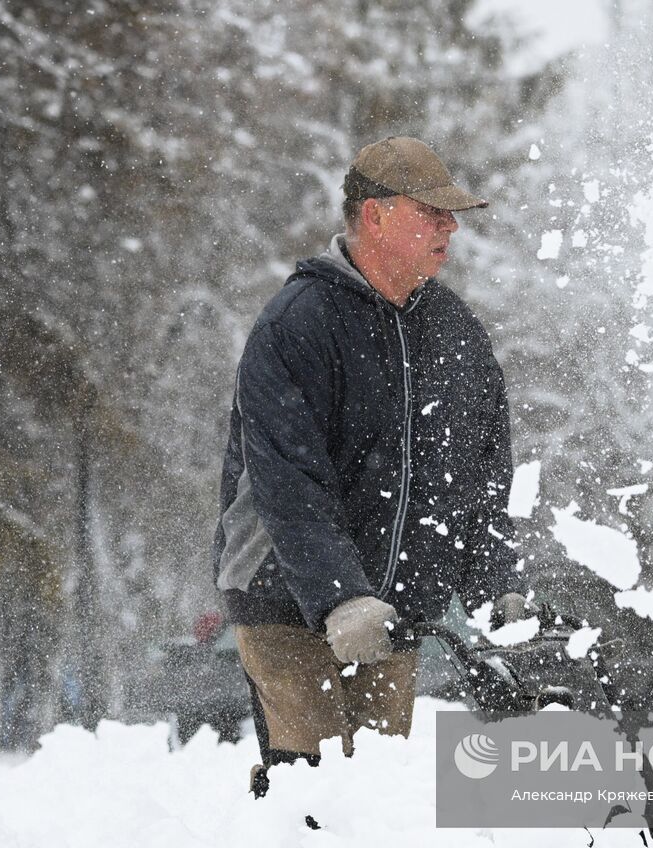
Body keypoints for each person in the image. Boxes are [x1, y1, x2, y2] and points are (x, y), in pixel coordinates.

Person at [212, 136, 527, 795]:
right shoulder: (298, 324)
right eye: (431, 213)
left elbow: (484, 470)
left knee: (378, 796)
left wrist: (495, 580)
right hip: (284, 594)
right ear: (376, 216)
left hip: (394, 608)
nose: (451, 226)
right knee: (318, 781)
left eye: (451, 214)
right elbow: (289, 485)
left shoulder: (456, 331)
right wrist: (340, 595)